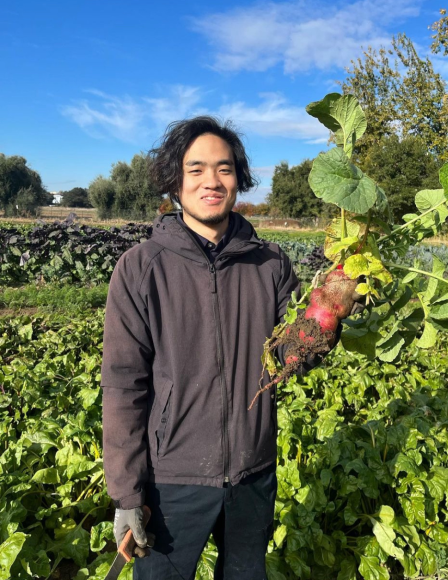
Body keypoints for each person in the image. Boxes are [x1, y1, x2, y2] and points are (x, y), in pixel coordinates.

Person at [101, 116, 361, 579]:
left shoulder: (271, 264)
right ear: (174, 179)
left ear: (238, 178)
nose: (211, 181)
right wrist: (126, 494)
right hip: (172, 480)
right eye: (196, 168)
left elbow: (288, 357)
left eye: (224, 169)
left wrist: (328, 316)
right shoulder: (141, 268)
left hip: (252, 472)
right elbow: (123, 386)